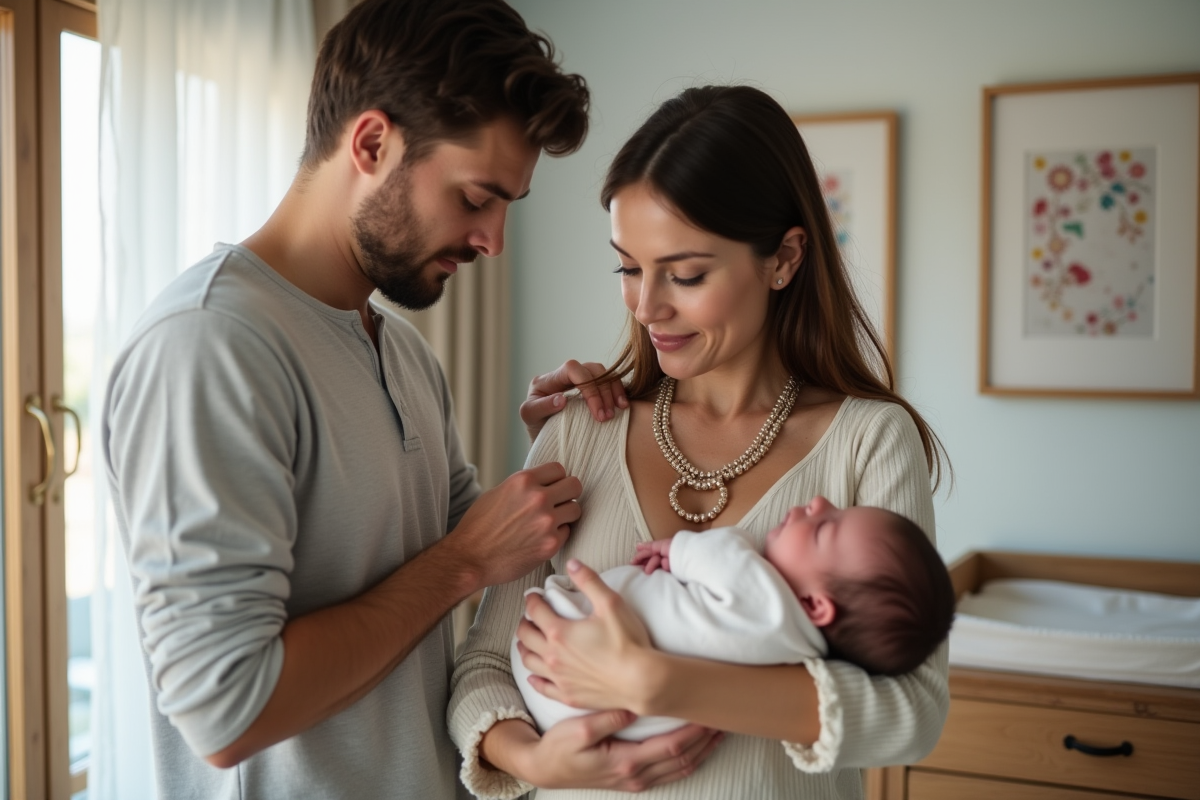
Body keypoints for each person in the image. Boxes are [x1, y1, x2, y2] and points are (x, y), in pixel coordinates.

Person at [101, 2, 716, 798]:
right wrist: (465, 562)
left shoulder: (403, 350)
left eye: (505, 207)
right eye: (474, 197)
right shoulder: (209, 348)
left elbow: (447, 546)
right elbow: (226, 710)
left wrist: (549, 451)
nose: (493, 239)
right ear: (371, 143)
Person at [448, 84, 952, 799]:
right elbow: (483, 667)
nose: (647, 306)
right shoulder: (579, 435)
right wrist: (533, 760)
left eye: (685, 274)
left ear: (783, 258)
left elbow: (913, 711)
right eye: (628, 266)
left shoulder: (868, 441)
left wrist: (658, 682)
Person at [513, 496, 956, 741]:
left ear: (815, 606)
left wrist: (681, 550)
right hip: (580, 721)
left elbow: (726, 552)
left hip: (556, 662)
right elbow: (482, 665)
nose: (819, 501)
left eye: (826, 527)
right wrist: (531, 763)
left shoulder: (765, 601)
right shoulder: (793, 655)